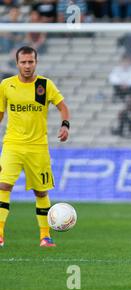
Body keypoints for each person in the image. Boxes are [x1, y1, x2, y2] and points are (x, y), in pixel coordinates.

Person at [0, 46, 70, 248]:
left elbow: (63, 107)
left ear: (36, 62)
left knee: (41, 192)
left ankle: (45, 237)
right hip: (12, 144)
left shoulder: (44, 85)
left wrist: (65, 125)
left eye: (31, 62)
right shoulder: (6, 85)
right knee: (3, 186)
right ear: (17, 63)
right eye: (23, 62)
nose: (27, 65)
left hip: (38, 147)